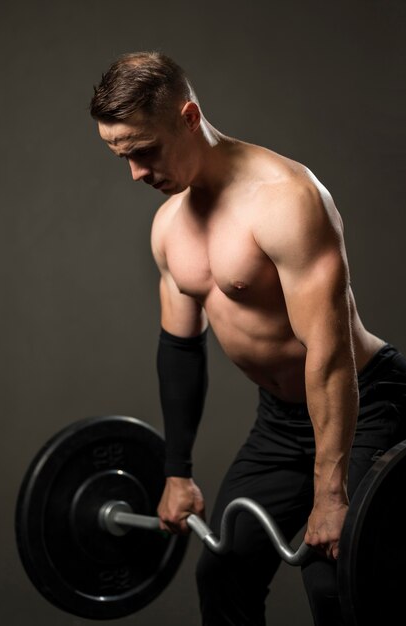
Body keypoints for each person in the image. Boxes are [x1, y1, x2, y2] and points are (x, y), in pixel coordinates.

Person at [89, 51, 406, 626]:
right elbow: (180, 351)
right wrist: (177, 473)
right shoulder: (168, 227)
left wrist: (330, 492)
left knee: (336, 579)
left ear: (188, 117)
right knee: (224, 571)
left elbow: (330, 357)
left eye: (144, 151)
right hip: (281, 422)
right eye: (121, 156)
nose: (135, 173)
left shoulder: (286, 199)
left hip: (364, 401)